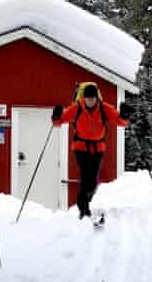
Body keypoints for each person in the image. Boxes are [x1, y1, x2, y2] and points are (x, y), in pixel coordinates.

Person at [51, 83, 132, 220]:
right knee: (86, 176)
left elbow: (121, 122)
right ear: (84, 99)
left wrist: (124, 115)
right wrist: (56, 116)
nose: (90, 101)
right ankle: (83, 208)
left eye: (93, 98)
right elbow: (59, 122)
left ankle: (85, 202)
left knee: (93, 181)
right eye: (88, 98)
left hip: (98, 148)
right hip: (80, 148)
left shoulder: (104, 109)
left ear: (97, 98)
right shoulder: (76, 108)